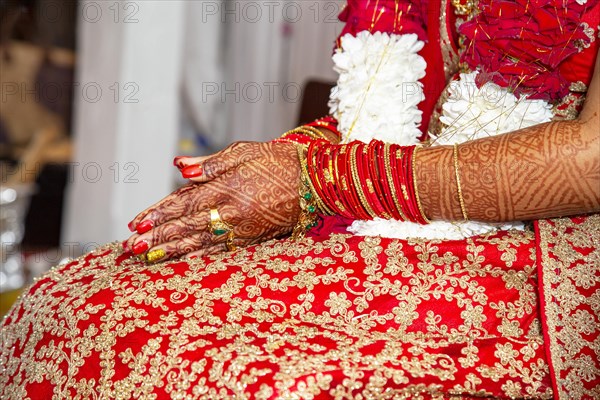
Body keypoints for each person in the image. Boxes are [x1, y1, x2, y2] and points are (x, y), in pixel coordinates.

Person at [1, 0, 599, 398]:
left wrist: (318, 178)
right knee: (71, 303)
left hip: (543, 260)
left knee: (230, 376)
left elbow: (593, 162)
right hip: (392, 206)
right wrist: (281, 163)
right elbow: (400, 115)